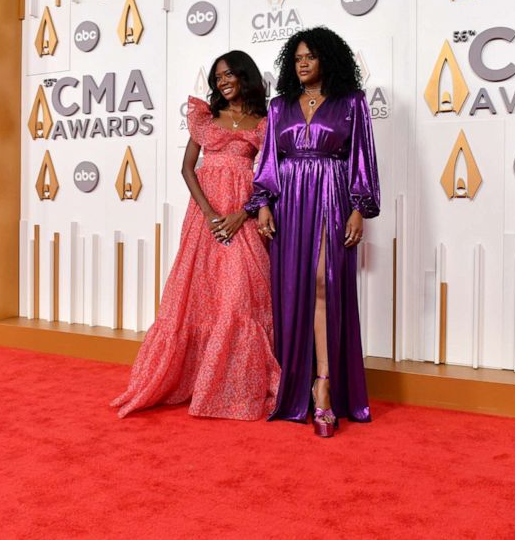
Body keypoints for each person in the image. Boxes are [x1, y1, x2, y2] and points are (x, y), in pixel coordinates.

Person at [111, 50, 280, 420]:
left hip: (243, 216)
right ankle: (191, 379)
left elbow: (268, 177)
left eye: (228, 74)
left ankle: (233, 387)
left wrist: (242, 214)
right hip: (206, 219)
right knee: (201, 296)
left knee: (240, 297)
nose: (222, 82)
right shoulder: (206, 117)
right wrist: (208, 214)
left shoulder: (264, 123)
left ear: (245, 76)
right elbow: (188, 169)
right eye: (217, 77)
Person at [245, 27, 380, 437]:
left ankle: (324, 385)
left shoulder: (351, 102)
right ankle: (296, 383)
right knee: (292, 293)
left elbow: (361, 157)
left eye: (311, 57)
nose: (302, 63)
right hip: (289, 202)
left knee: (325, 283)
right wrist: (263, 202)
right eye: (297, 57)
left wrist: (359, 209)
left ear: (328, 60)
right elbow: (268, 160)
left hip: (332, 197)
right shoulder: (279, 105)